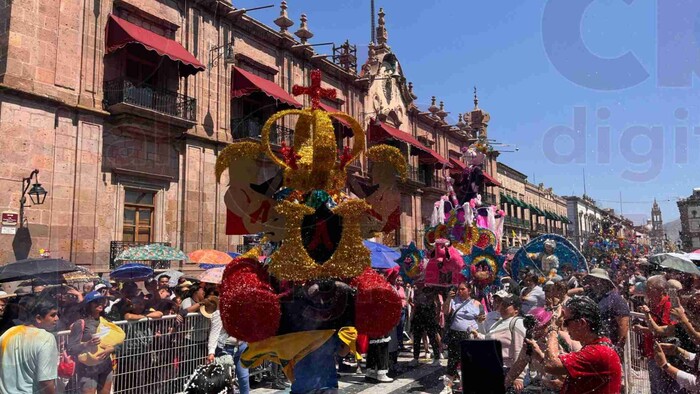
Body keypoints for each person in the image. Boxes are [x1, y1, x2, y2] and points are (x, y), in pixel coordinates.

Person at [529, 296, 622, 394]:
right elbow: (567, 373)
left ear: (581, 323)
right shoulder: (596, 347)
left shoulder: (598, 352)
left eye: (566, 322)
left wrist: (553, 328)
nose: (563, 326)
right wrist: (540, 357)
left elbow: (552, 365)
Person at [0, 295, 60, 394]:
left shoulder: (8, 333)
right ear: (38, 318)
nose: (57, 318)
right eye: (53, 315)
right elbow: (46, 381)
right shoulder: (46, 338)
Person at [472, 290, 526, 387]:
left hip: (506, 370)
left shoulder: (517, 323)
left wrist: (519, 376)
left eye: (506, 305)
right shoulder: (501, 321)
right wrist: (478, 333)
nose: (502, 306)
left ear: (516, 310)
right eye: (502, 304)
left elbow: (520, 351)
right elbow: (489, 339)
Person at [67, 291, 115, 394]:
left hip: (106, 365)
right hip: (87, 369)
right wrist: (87, 344)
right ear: (88, 305)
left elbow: (117, 341)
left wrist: (113, 348)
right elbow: (70, 349)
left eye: (102, 301)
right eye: (96, 301)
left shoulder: (107, 321)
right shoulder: (80, 323)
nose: (100, 304)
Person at [442, 282, 483, 392]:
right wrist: (448, 299)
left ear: (469, 290)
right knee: (452, 361)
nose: (460, 291)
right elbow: (445, 312)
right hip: (455, 334)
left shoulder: (477, 304)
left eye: (462, 289)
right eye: (458, 289)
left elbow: (482, 320)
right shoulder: (454, 301)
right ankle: (448, 386)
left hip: (470, 335)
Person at [204, 296, 250, 394]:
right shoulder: (219, 314)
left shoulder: (243, 312)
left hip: (242, 347)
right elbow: (214, 333)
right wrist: (211, 352)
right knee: (224, 381)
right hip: (225, 349)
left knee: (244, 378)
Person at [582, 268, 630, 355]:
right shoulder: (593, 296)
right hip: (592, 346)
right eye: (591, 280)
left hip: (608, 347)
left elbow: (623, 325)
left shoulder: (615, 299)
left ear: (604, 282)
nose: (593, 283)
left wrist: (618, 348)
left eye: (596, 280)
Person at [408, 283, 441, 366]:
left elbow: (438, 302)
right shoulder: (416, 289)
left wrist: (437, 316)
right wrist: (413, 314)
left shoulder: (432, 287)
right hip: (418, 314)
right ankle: (416, 358)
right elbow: (415, 303)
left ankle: (437, 358)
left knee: (432, 336)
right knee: (417, 337)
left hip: (429, 314)